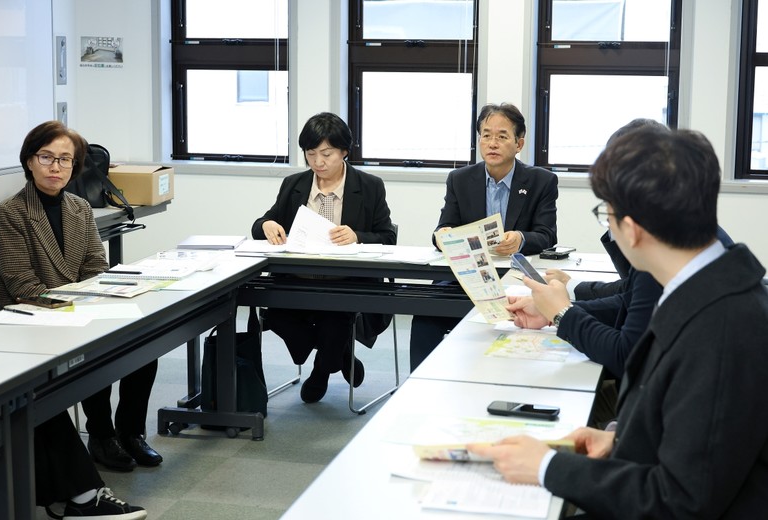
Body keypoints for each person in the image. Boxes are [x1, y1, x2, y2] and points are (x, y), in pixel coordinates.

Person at [470, 127, 768, 518]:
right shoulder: (705, 287)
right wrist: (622, 439)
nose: (608, 226)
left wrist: (548, 467)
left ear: (632, 229)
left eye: (606, 213)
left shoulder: (722, 330)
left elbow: (679, 503)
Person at [0, 121, 146, 518]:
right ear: (29, 161)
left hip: (75, 314)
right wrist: (80, 306)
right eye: (46, 157)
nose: (55, 167)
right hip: (29, 324)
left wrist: (97, 301)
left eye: (65, 160)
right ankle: (98, 448)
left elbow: (95, 267)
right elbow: (23, 285)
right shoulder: (9, 214)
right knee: (52, 390)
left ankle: (128, 434)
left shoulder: (79, 208)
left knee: (142, 344)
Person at [251, 112, 396, 403]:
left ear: (344, 151)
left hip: (347, 282)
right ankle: (341, 354)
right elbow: (261, 225)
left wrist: (357, 236)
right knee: (276, 315)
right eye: (311, 154)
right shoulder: (294, 185)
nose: (318, 162)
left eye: (327, 154)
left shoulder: (369, 186)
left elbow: (387, 237)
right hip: (296, 280)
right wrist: (266, 225)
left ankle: (320, 371)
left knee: (336, 319)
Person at [409, 102, 558, 370]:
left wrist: (520, 239)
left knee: (518, 321)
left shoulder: (541, 181)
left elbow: (547, 235)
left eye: (502, 136)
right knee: (425, 313)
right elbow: (443, 228)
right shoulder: (459, 179)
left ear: (519, 143)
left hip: (514, 279)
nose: (492, 143)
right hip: (467, 278)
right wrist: (442, 236)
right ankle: (419, 382)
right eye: (486, 135)